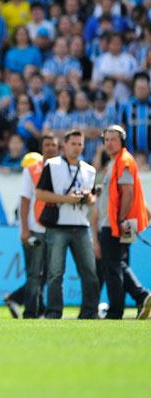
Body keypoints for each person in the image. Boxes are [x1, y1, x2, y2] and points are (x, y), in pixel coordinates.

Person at [36, 129, 99, 319]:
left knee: (90, 273)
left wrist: (89, 199)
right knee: (55, 274)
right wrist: (66, 199)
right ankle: (54, 312)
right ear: (64, 145)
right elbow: (40, 194)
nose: (77, 148)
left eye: (80, 144)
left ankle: (89, 312)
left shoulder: (90, 170)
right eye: (73, 144)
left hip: (81, 225)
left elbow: (93, 196)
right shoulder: (52, 165)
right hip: (58, 226)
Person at [92, 125, 151, 319]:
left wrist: (121, 219)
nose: (109, 143)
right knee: (118, 264)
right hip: (122, 221)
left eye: (113, 139)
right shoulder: (117, 161)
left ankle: (116, 311)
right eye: (106, 139)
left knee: (112, 267)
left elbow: (128, 192)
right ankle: (141, 296)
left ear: (122, 141)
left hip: (117, 222)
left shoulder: (123, 161)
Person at [4, 134, 60, 319]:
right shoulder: (32, 170)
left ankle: (33, 306)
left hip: (52, 228)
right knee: (36, 274)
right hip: (35, 228)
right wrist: (25, 229)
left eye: (54, 144)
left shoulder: (60, 169)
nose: (50, 147)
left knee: (42, 274)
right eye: (47, 144)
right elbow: (24, 202)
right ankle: (30, 310)